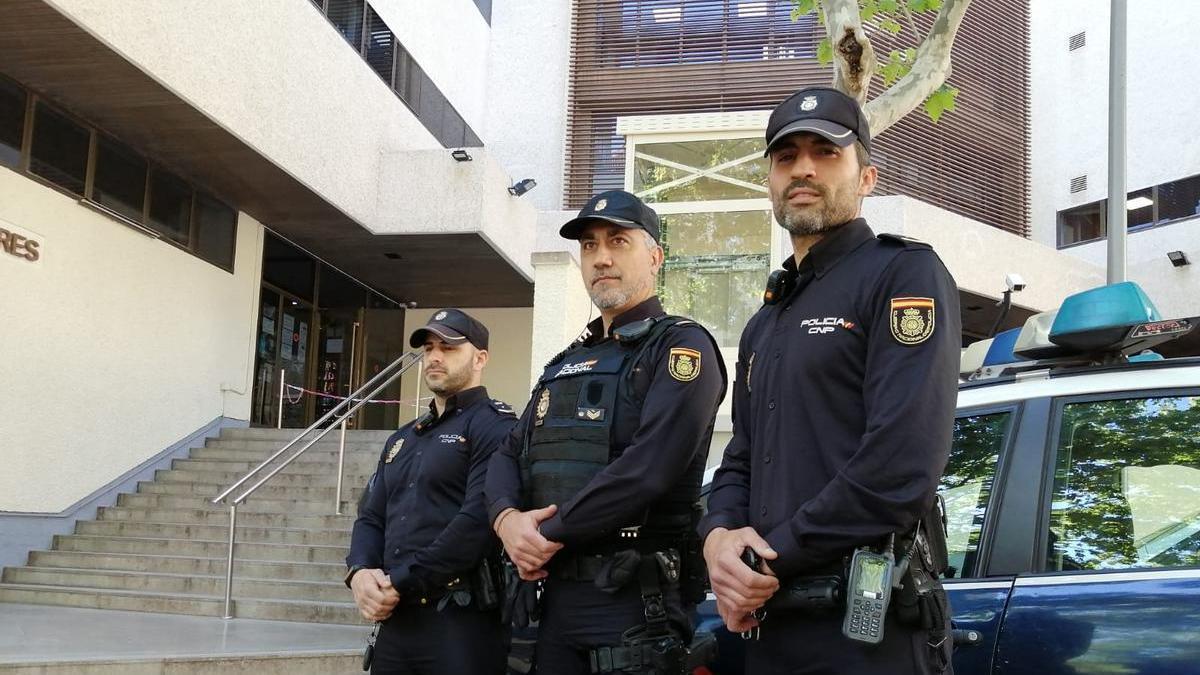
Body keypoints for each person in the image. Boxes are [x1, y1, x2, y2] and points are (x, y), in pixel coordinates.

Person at [699, 86, 961, 674]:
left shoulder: (902, 273)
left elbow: (901, 464)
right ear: (770, 178)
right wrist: (717, 537)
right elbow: (741, 454)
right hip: (770, 627)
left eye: (826, 152)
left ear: (866, 177)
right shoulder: (768, 318)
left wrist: (767, 562)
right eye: (786, 156)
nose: (804, 168)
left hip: (867, 634)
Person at [486, 190, 726, 674]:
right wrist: (506, 520)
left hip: (635, 602)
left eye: (618, 241)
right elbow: (508, 452)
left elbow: (648, 469)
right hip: (553, 603)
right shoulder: (567, 362)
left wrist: (544, 535)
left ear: (655, 256)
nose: (602, 258)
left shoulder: (680, 346)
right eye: (590, 246)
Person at [345, 309, 516, 675]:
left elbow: (476, 523)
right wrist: (359, 573)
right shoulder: (402, 438)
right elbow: (371, 516)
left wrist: (399, 579)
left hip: (459, 620)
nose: (435, 357)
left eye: (449, 348)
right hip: (397, 621)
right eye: (429, 348)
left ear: (480, 358)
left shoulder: (495, 427)